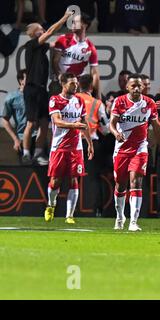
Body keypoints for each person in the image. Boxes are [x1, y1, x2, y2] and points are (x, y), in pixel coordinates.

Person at [109, 74, 160, 231]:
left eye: (139, 86)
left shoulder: (149, 103)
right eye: (133, 85)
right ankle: (120, 217)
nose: (136, 88)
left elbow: (156, 127)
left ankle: (134, 222)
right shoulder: (119, 101)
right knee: (120, 185)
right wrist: (116, 133)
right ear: (127, 87)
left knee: (136, 181)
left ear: (143, 88)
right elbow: (112, 124)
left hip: (140, 148)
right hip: (121, 148)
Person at [22, 10, 73, 166]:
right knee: (31, 122)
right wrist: (65, 17)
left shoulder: (42, 48)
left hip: (43, 90)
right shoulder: (31, 45)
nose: (43, 30)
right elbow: (51, 31)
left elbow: (56, 44)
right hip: (32, 89)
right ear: (32, 33)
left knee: (45, 122)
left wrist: (73, 35)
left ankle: (38, 153)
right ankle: (26, 153)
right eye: (39, 29)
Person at [44, 73, 94, 224]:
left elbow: (84, 123)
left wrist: (90, 144)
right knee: (55, 181)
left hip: (76, 148)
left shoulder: (79, 100)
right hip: (59, 147)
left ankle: (69, 215)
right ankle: (51, 205)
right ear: (63, 84)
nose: (76, 85)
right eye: (72, 83)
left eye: (76, 83)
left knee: (74, 180)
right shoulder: (55, 100)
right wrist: (74, 125)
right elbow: (57, 122)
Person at [78, 74, 110, 216]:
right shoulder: (97, 104)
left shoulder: (72, 100)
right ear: (92, 86)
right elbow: (106, 129)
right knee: (93, 177)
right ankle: (96, 210)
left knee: (70, 177)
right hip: (91, 142)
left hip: (73, 142)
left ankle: (67, 210)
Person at [53, 12, 101, 99]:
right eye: (72, 22)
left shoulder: (90, 47)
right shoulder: (63, 39)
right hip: (59, 84)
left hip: (77, 87)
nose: (73, 24)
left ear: (85, 25)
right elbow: (55, 61)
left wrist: (98, 95)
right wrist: (61, 78)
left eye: (76, 22)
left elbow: (95, 73)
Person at [2, 70, 28, 160]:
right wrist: (15, 139)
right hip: (22, 139)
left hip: (38, 139)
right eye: (28, 78)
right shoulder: (11, 97)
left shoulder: (38, 96)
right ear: (21, 80)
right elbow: (5, 120)